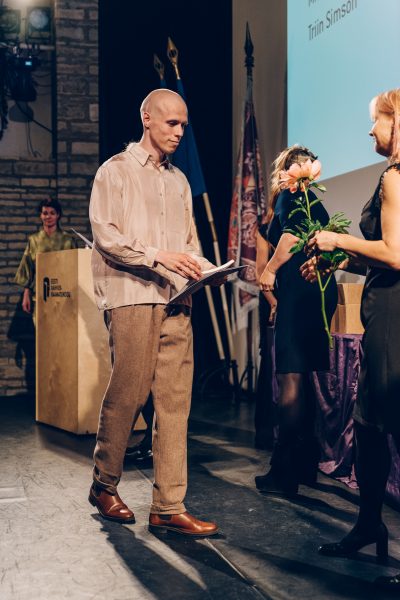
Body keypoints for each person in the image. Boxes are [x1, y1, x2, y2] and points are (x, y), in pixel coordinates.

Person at [88, 88, 219, 537]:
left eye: (184, 125)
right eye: (171, 123)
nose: (179, 132)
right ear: (147, 118)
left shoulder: (179, 181)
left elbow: (189, 244)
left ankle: (168, 505)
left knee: (175, 404)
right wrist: (158, 256)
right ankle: (104, 484)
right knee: (128, 394)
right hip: (132, 295)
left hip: (177, 299)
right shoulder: (116, 171)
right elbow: (107, 236)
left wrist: (207, 270)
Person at [301, 89, 400, 589]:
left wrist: (337, 239)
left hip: (395, 315)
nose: (369, 130)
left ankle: (371, 526)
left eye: (375, 121)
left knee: (388, 420)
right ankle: (368, 524)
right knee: (368, 424)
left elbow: (396, 254)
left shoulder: (396, 177)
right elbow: (383, 259)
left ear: (395, 122)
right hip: (384, 310)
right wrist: (341, 261)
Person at [254, 145, 338, 497]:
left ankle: (283, 474)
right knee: (304, 379)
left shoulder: (291, 195)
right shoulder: (313, 199)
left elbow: (290, 235)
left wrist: (270, 270)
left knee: (290, 379)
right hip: (318, 291)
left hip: (299, 291)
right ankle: (305, 466)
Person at [14, 198, 76, 316]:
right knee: (41, 325)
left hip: (64, 294)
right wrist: (26, 294)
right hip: (40, 293)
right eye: (45, 213)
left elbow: (74, 268)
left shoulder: (68, 240)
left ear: (58, 215)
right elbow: (28, 267)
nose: (48, 216)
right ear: (40, 215)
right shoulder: (34, 240)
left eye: (52, 213)